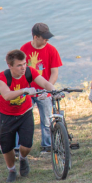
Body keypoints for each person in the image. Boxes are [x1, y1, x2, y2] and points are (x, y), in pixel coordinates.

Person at [0, 50, 54, 182]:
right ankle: (11, 169)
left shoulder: (29, 72)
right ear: (10, 66)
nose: (23, 68)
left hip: (25, 112)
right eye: (19, 65)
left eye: (24, 64)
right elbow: (7, 95)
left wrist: (52, 90)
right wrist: (24, 90)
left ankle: (23, 158)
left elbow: (45, 83)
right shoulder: (2, 78)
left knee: (27, 145)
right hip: (6, 114)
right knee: (7, 147)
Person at [18, 23, 62, 155]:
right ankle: (19, 148)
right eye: (44, 38)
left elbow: (54, 73)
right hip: (28, 91)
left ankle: (47, 146)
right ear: (35, 37)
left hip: (44, 91)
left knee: (47, 120)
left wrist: (48, 89)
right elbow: (19, 71)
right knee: (22, 119)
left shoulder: (52, 50)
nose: (47, 40)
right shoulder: (24, 49)